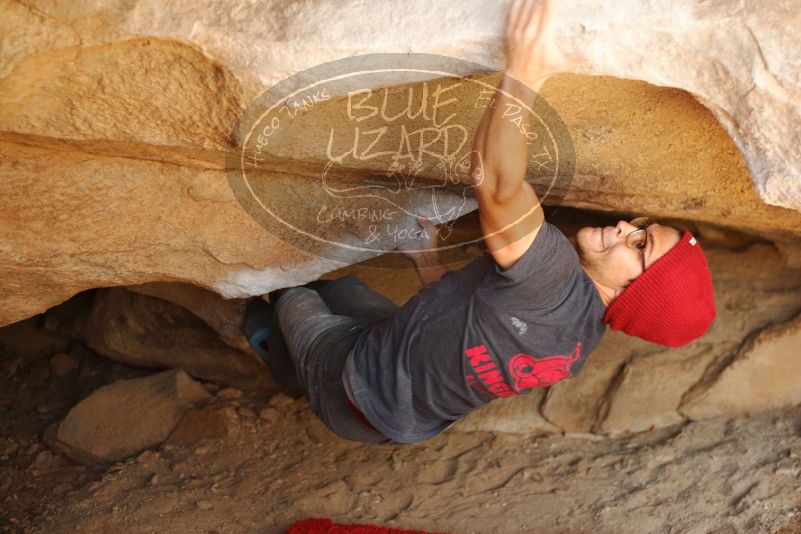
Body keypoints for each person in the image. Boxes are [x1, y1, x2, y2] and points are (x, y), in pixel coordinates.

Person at [244, 0, 716, 445]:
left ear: (634, 293)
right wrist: (426, 259)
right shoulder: (576, 344)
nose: (624, 229)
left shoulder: (552, 276)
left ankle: (276, 352)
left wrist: (526, 72)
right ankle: (305, 339)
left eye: (639, 246)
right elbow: (469, 331)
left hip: (349, 389)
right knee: (343, 288)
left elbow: (493, 179)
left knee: (293, 289)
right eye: (640, 227)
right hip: (400, 412)